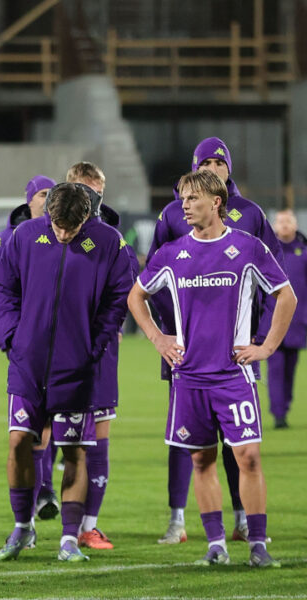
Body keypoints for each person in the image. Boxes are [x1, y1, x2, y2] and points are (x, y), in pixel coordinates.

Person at [128, 169, 293, 568]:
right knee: (201, 460)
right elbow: (136, 297)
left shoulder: (248, 247)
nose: (184, 206)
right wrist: (158, 339)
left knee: (248, 457)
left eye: (192, 199)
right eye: (183, 199)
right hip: (189, 379)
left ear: (215, 202)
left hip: (234, 377)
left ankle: (257, 543)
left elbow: (286, 296)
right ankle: (216, 544)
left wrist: (266, 346)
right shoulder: (171, 253)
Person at [0, 182, 133, 562]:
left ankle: (69, 538)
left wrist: (94, 346)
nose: (62, 234)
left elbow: (119, 298)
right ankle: (22, 527)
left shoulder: (109, 242)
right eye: (56, 225)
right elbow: (2, 288)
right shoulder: (24, 236)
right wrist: (10, 337)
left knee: (74, 452)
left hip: (77, 368)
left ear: (86, 217)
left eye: (70, 228)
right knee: (19, 442)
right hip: (27, 364)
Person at [65, 162, 140, 550]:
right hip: (51, 355)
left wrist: (108, 329)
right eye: (84, 188)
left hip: (98, 354)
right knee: (35, 440)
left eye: (98, 189)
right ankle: (26, 523)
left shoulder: (111, 237)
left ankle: (87, 525)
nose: (93, 195)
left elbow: (127, 288)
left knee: (96, 439)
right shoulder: (43, 233)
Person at [0, 174, 59, 522]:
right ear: (29, 200)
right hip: (25, 351)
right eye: (42, 194)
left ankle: (52, 500)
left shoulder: (68, 237)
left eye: (52, 194)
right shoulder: (6, 242)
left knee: (54, 431)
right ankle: (28, 513)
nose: (47, 199)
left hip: (63, 352)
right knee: (24, 434)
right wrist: (9, 338)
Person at [265, 209, 307, 429]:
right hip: (272, 322)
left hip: (298, 323)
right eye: (280, 221)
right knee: (275, 369)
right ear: (274, 225)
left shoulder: (304, 252)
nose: (284, 225)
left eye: (288, 221)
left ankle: (285, 406)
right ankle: (278, 413)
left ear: (295, 224)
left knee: (290, 368)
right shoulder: (267, 253)